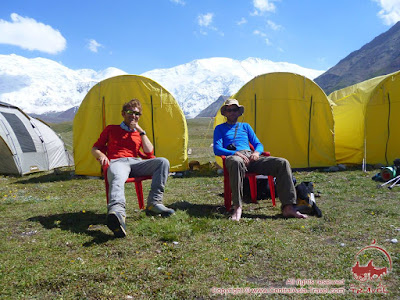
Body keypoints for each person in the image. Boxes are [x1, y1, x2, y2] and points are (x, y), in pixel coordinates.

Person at [213, 99, 308, 221]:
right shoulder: (219, 129)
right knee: (236, 162)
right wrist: (235, 153)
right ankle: (237, 206)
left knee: (282, 163)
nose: (232, 112)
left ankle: (288, 207)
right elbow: (217, 149)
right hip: (234, 157)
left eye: (234, 110)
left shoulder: (245, 126)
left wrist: (257, 152)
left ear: (238, 112)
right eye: (229, 110)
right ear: (225, 113)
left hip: (251, 157)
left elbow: (258, 144)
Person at [92, 99, 174, 238]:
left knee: (162, 162)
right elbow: (96, 147)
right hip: (118, 163)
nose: (134, 116)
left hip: (136, 163)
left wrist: (141, 131)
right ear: (123, 113)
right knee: (117, 177)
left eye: (137, 114)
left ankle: (154, 203)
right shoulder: (111, 129)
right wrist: (101, 156)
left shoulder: (138, 133)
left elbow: (149, 152)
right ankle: (117, 213)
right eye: (130, 112)